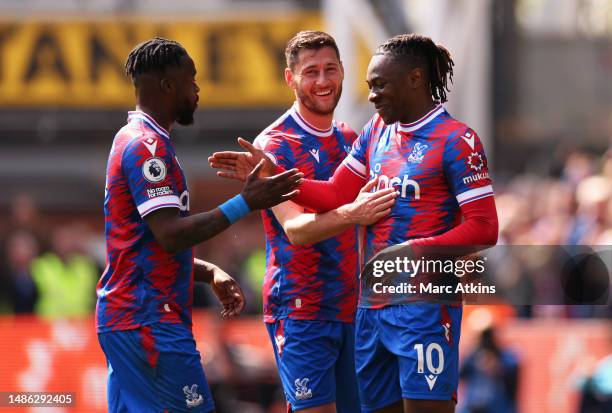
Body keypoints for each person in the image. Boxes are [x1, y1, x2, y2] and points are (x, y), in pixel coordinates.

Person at [210, 33, 498, 413]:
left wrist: (414, 252)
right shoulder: (376, 131)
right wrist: (274, 173)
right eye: (369, 86)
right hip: (368, 309)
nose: (372, 96)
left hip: (424, 306)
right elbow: (333, 193)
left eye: (380, 85)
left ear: (414, 79)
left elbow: (485, 228)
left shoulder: (457, 140)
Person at [96, 37, 303, 413]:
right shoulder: (147, 148)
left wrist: (209, 273)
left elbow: (147, 249)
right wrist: (247, 201)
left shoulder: (135, 140)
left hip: (130, 318)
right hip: (149, 322)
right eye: (191, 79)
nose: (197, 88)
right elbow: (170, 235)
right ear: (167, 85)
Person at [211, 30, 396, 413]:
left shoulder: (350, 138)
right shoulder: (273, 145)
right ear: (290, 78)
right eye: (311, 72)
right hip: (302, 309)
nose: (323, 81)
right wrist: (355, 213)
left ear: (344, 71)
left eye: (330, 69)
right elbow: (295, 229)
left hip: (355, 309)